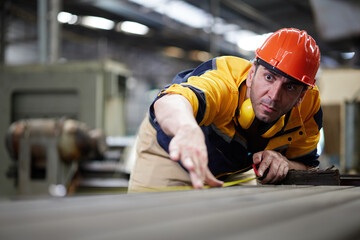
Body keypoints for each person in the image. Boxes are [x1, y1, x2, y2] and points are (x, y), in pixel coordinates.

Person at [128, 28, 322, 192]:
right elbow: (170, 101)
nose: (273, 96)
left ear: (302, 95)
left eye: (289, 87)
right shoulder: (224, 81)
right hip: (170, 155)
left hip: (232, 170)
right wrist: (186, 129)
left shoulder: (308, 111)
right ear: (252, 73)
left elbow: (308, 166)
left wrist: (285, 164)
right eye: (269, 77)